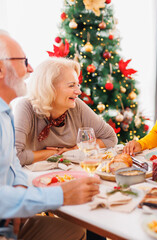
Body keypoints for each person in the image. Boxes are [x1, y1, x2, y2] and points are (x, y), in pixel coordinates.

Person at [0, 31, 100, 239]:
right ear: (1, 68)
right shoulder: (22, 109)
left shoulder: (5, 112)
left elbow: (13, 164)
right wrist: (61, 194)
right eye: (23, 61)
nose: (30, 69)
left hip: (9, 220)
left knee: (75, 230)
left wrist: (19, 192)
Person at [14, 57, 118, 166]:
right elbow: (15, 156)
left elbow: (110, 138)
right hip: (34, 177)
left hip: (69, 174)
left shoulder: (76, 105)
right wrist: (53, 153)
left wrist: (73, 149)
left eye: (77, 85)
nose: (78, 91)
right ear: (50, 87)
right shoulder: (26, 107)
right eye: (71, 85)